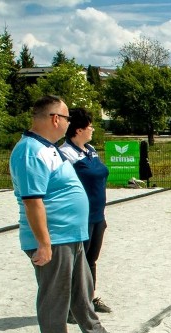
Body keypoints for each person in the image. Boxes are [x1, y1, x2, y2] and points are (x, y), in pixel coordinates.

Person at [10, 95, 133, 333]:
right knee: (55, 295)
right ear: (56, 118)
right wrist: (44, 243)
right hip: (54, 237)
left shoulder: (47, 147)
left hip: (69, 234)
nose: (68, 124)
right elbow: (32, 201)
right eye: (66, 118)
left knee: (81, 289)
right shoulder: (31, 151)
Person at [59, 107, 112, 315]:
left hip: (98, 215)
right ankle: (72, 306)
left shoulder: (90, 150)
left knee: (91, 260)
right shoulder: (65, 154)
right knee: (76, 264)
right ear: (78, 130)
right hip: (79, 217)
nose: (92, 129)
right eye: (90, 126)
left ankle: (89, 298)